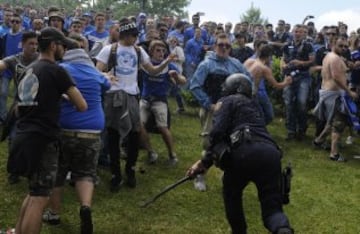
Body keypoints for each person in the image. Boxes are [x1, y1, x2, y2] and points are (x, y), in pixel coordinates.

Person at [186, 73, 293, 234]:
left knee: (232, 195)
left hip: (244, 153)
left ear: (233, 88)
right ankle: (283, 230)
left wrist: (203, 163)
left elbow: (217, 134)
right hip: (271, 154)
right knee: (272, 210)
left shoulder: (227, 101)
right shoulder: (255, 105)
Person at [9, 27, 87, 234]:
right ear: (53, 46)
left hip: (23, 136)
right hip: (43, 140)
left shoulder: (30, 68)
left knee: (33, 192)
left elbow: (22, 104)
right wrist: (64, 92)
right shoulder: (57, 71)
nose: (64, 50)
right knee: (40, 197)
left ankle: (17, 231)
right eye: (62, 45)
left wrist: (54, 95)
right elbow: (81, 105)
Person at [95, 18, 176, 192]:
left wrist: (166, 62)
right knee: (113, 134)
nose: (135, 38)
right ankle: (116, 174)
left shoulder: (139, 51)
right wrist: (106, 76)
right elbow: (97, 69)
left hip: (133, 96)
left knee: (134, 133)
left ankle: (130, 169)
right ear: (125, 34)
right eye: (133, 35)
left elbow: (152, 70)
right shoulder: (109, 49)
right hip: (114, 95)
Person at [42, 39, 111, 233]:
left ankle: (54, 214)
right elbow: (107, 85)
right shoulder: (95, 73)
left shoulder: (60, 69)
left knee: (58, 174)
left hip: (64, 129)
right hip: (92, 131)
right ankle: (85, 207)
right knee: (86, 173)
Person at [190, 33, 252, 191]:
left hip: (233, 111)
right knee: (209, 143)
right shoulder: (206, 65)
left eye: (227, 45)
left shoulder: (236, 64)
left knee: (234, 143)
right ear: (214, 46)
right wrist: (209, 104)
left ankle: (228, 175)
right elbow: (195, 85)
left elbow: (248, 80)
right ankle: (200, 176)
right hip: (212, 110)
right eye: (221, 45)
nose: (224, 48)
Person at [138, 40, 186, 164]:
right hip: (145, 99)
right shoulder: (145, 64)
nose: (161, 53)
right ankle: (150, 151)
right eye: (158, 50)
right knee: (138, 124)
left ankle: (172, 154)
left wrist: (176, 76)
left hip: (160, 100)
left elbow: (183, 81)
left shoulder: (169, 65)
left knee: (163, 127)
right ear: (151, 52)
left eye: (163, 51)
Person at [0, 31, 39, 184]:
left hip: (37, 106)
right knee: (15, 139)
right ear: (22, 44)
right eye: (31, 43)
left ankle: (31, 170)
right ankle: (14, 170)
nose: (34, 47)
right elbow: (2, 64)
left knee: (33, 140)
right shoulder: (14, 60)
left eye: (36, 44)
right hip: (19, 105)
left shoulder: (42, 60)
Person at [313, 36, 358, 162]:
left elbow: (338, 72)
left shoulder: (329, 56)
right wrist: (349, 92)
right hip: (334, 94)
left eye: (345, 46)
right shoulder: (335, 58)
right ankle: (334, 154)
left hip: (328, 92)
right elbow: (337, 77)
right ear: (333, 44)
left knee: (332, 121)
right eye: (340, 46)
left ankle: (318, 140)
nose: (343, 48)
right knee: (338, 124)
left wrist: (348, 67)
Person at [281, 24, 315, 141]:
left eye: (300, 32)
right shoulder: (287, 45)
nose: (298, 33)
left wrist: (300, 63)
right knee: (288, 103)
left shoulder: (308, 46)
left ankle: (302, 128)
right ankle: (291, 130)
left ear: (304, 33)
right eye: (296, 31)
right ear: (292, 32)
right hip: (289, 76)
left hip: (303, 77)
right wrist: (284, 66)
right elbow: (283, 59)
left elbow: (312, 61)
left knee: (301, 103)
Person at [244, 44, 292, 125]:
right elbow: (276, 85)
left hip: (243, 93)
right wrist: (286, 82)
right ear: (270, 56)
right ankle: (257, 132)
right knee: (268, 116)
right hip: (253, 95)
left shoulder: (249, 61)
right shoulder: (263, 68)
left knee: (252, 116)